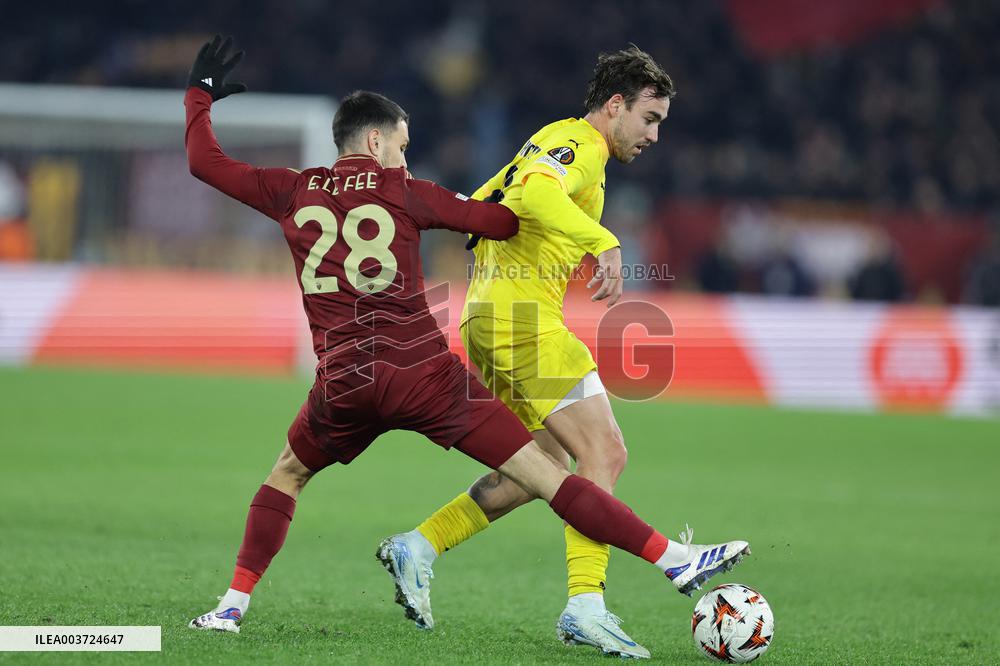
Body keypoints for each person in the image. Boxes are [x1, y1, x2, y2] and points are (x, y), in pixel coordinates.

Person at [182, 36, 750, 645]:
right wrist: (589, 235)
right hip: (431, 371)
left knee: (289, 474)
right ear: (376, 143)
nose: (405, 157)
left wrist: (200, 98)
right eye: (401, 146)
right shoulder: (409, 190)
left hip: (343, 380)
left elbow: (205, 163)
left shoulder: (293, 189)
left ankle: (233, 605)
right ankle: (651, 571)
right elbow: (504, 213)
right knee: (571, 471)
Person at [379, 45, 749, 658]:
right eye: (649, 119)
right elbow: (536, 193)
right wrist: (602, 239)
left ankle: (419, 545)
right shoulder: (579, 144)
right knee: (604, 451)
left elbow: (498, 197)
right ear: (614, 106)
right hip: (523, 322)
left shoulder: (551, 143)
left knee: (542, 466)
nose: (654, 135)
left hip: (489, 319)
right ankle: (586, 603)